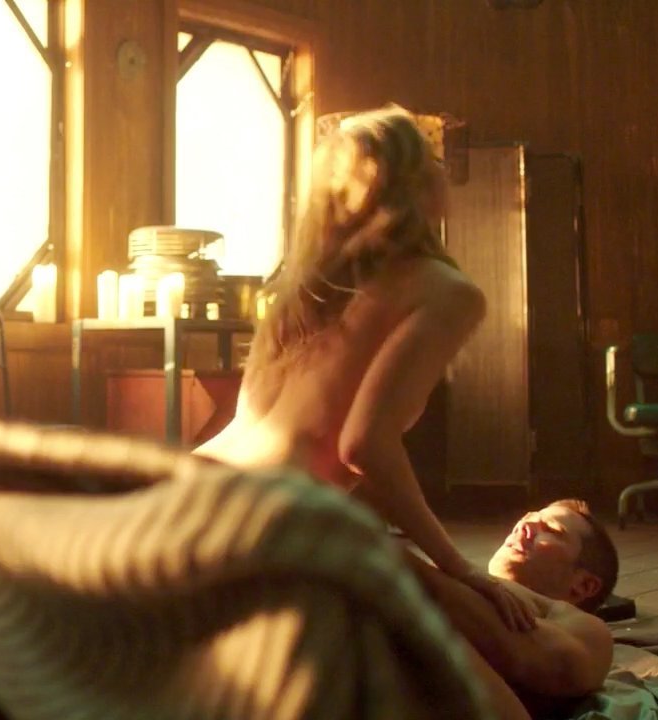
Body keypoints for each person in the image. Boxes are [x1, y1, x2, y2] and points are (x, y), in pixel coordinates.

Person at [194, 104, 534, 630]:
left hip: (191, 491)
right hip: (264, 524)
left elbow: (251, 422)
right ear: (416, 183)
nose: (443, 171)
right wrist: (460, 566)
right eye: (433, 159)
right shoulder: (447, 291)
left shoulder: (299, 291)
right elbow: (364, 445)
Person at [405, 498, 618, 718]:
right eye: (528, 518)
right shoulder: (448, 577)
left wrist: (392, 557)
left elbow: (529, 653)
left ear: (583, 585)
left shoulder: (590, 632)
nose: (524, 525)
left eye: (551, 530)